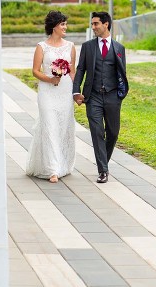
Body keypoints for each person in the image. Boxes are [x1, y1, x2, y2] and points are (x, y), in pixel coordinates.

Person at [72, 11, 129, 183]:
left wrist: (121, 94)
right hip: (93, 96)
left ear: (106, 24)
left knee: (113, 133)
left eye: (96, 23)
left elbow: (122, 73)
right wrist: (76, 91)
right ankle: (103, 170)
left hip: (113, 96)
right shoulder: (88, 46)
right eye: (92, 24)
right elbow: (80, 69)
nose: (93, 27)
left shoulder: (119, 48)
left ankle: (103, 161)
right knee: (97, 132)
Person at [26, 10, 77, 183]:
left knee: (63, 127)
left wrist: (76, 92)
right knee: (49, 126)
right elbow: (35, 71)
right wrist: (50, 79)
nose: (65, 27)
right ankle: (52, 169)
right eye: (62, 24)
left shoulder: (70, 46)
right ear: (54, 26)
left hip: (65, 91)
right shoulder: (42, 47)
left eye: (65, 24)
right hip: (47, 92)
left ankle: (62, 163)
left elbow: (72, 72)